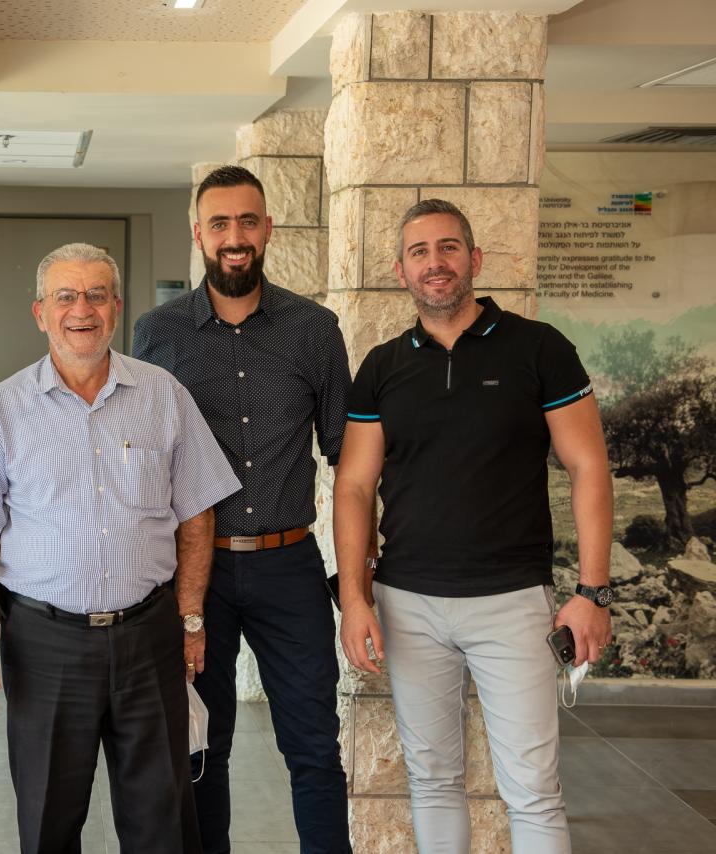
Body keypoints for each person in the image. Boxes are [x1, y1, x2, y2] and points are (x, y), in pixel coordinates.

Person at [0, 242, 240, 854]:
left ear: (117, 308)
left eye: (96, 296)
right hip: (44, 643)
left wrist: (190, 618)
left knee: (162, 823)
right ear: (40, 313)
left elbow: (197, 515)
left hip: (149, 637)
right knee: (48, 823)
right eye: (66, 297)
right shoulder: (2, 410)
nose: (82, 310)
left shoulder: (164, 396)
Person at [334, 198, 614, 853]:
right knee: (432, 779)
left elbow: (589, 466)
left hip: (512, 601)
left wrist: (593, 591)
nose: (435, 263)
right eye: (419, 252)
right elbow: (353, 486)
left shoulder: (539, 349)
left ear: (474, 259)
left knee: (533, 790)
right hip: (408, 603)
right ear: (401, 271)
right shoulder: (382, 367)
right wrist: (354, 598)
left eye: (448, 247)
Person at [133, 164, 355, 854]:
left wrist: (359, 576)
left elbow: (348, 458)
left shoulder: (314, 330)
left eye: (248, 221)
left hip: (291, 568)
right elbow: (145, 463)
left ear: (268, 230)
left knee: (314, 745)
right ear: (199, 233)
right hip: (196, 577)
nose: (235, 236)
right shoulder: (157, 334)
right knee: (204, 747)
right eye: (220, 223)